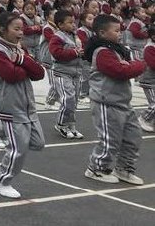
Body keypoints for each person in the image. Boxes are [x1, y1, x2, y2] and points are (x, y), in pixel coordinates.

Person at [0, 11, 46, 199]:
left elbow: (38, 73)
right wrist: (25, 68)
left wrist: (22, 61)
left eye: (22, 28)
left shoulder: (20, 50)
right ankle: (2, 181)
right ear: (2, 30)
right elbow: (11, 75)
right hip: (10, 106)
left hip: (27, 105)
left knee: (38, 142)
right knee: (18, 149)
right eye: (16, 29)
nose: (21, 32)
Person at [83, 14, 147, 184]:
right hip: (106, 102)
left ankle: (124, 168)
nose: (120, 33)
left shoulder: (116, 50)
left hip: (122, 100)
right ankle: (96, 168)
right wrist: (139, 65)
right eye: (116, 31)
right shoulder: (102, 52)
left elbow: (128, 66)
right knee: (110, 139)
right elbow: (121, 71)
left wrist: (131, 65)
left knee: (133, 136)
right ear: (102, 33)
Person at [49, 10, 85, 139]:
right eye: (69, 22)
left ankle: (71, 125)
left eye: (73, 22)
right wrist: (75, 53)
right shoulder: (57, 37)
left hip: (76, 72)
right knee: (68, 99)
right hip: (62, 72)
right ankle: (61, 124)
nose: (73, 24)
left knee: (74, 101)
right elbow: (56, 53)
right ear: (60, 24)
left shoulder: (74, 36)